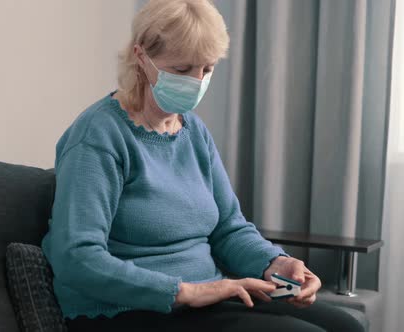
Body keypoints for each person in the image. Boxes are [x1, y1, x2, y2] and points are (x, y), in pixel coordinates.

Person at [41, 0, 365, 331]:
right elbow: (76, 257)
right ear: (141, 57)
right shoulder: (98, 136)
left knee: (347, 325)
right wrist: (186, 291)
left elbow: (229, 228)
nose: (196, 81)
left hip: (206, 299)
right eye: (182, 70)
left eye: (206, 69)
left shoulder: (193, 131)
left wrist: (277, 264)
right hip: (126, 310)